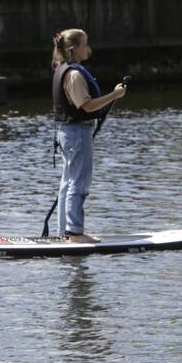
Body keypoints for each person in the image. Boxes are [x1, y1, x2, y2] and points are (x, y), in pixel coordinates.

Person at [51, 28, 127, 243]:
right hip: (77, 134)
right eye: (85, 44)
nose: (89, 48)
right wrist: (115, 95)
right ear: (74, 49)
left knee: (68, 182)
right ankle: (75, 233)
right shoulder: (74, 75)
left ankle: (65, 231)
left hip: (68, 133)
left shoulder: (62, 69)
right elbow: (86, 105)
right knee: (78, 182)